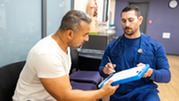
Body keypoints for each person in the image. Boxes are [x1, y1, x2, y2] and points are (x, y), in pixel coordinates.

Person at [13, 10, 119, 101]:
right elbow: (64, 97)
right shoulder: (46, 54)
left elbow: (66, 89)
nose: (87, 39)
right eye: (84, 34)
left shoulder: (64, 45)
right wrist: (102, 92)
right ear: (69, 34)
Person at [99, 5, 171, 101]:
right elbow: (101, 69)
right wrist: (105, 70)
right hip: (119, 93)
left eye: (131, 20)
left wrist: (150, 72)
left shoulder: (155, 46)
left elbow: (166, 75)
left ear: (140, 20)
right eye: (123, 21)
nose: (127, 24)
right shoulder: (112, 46)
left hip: (145, 92)